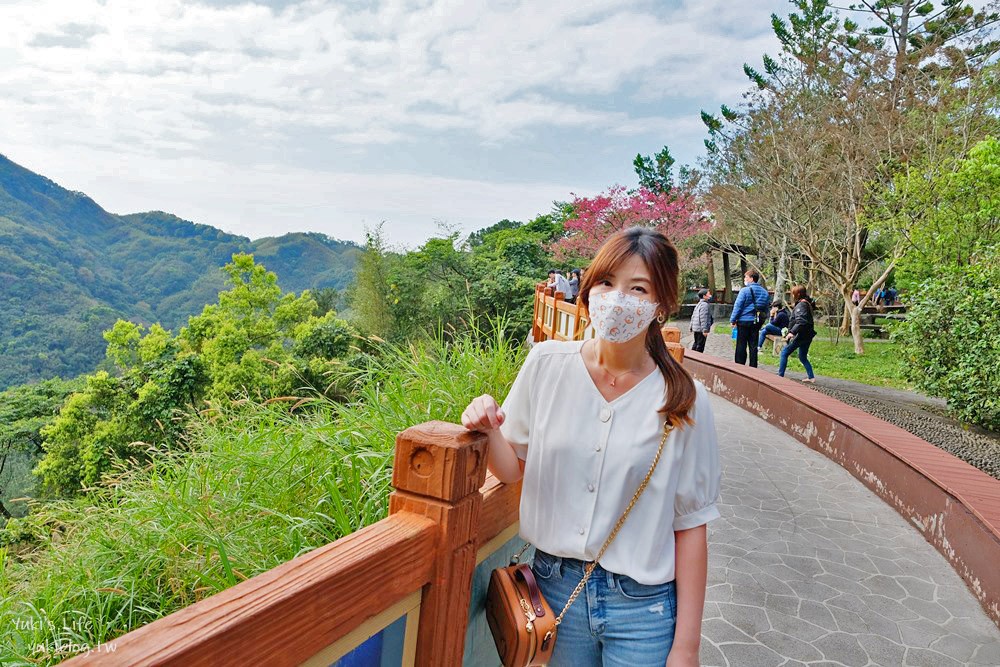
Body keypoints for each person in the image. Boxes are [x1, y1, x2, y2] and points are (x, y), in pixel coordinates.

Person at [462, 227, 721, 666]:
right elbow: (511, 469)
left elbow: (691, 524)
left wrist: (687, 647)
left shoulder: (684, 401)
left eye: (637, 288)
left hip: (643, 608)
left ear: (660, 307)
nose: (616, 297)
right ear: (588, 291)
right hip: (552, 590)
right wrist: (487, 429)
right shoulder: (546, 365)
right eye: (606, 282)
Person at [729, 270, 772, 367]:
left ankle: (740, 366)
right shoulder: (765, 292)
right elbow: (766, 308)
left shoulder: (744, 291)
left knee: (741, 344)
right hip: (756, 322)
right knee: (753, 345)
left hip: (743, 321)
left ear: (752, 278)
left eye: (746, 277)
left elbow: (738, 306)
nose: (745, 279)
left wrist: (733, 320)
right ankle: (753, 366)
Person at [778, 285, 817, 383]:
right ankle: (811, 377)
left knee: (784, 353)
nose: (792, 295)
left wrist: (792, 332)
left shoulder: (801, 305)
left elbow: (801, 321)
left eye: (793, 293)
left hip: (801, 335)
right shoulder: (807, 303)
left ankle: (780, 375)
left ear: (798, 294)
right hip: (808, 335)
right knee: (802, 357)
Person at [690, 289, 713, 353]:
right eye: (708, 294)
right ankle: (697, 358)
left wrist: (691, 327)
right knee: (700, 345)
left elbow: (693, 316)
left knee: (696, 343)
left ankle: (692, 356)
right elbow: (704, 318)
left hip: (696, 328)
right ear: (704, 296)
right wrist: (705, 330)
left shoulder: (699, 304)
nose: (710, 295)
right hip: (700, 329)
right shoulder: (705, 305)